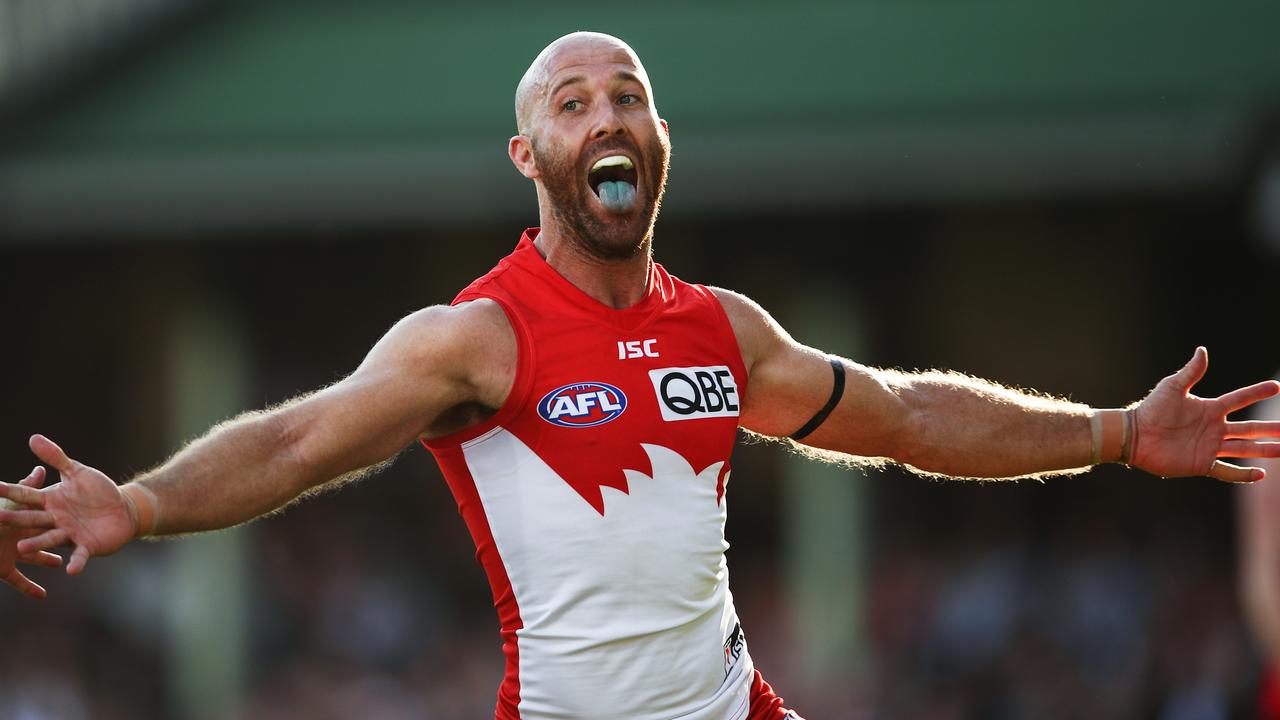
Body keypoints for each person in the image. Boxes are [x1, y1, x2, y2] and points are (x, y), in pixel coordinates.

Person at [2, 31, 1279, 720]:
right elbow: (297, 441)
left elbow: (901, 414)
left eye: (628, 94)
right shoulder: (477, 337)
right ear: (527, 153)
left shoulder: (724, 331)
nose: (605, 114)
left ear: (659, 141)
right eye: (571, 101)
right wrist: (147, 504)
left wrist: (1115, 430)